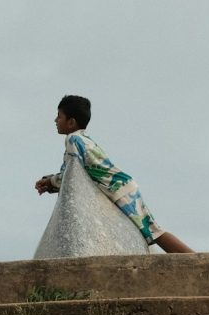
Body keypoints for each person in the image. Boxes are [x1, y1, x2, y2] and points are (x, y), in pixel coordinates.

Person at [33, 94, 194, 258]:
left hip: (120, 191)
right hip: (124, 186)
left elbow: (70, 174)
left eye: (59, 116)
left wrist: (50, 182)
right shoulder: (84, 139)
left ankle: (195, 258)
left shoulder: (72, 139)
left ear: (71, 122)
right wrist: (51, 182)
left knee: (154, 232)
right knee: (153, 231)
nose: (55, 120)